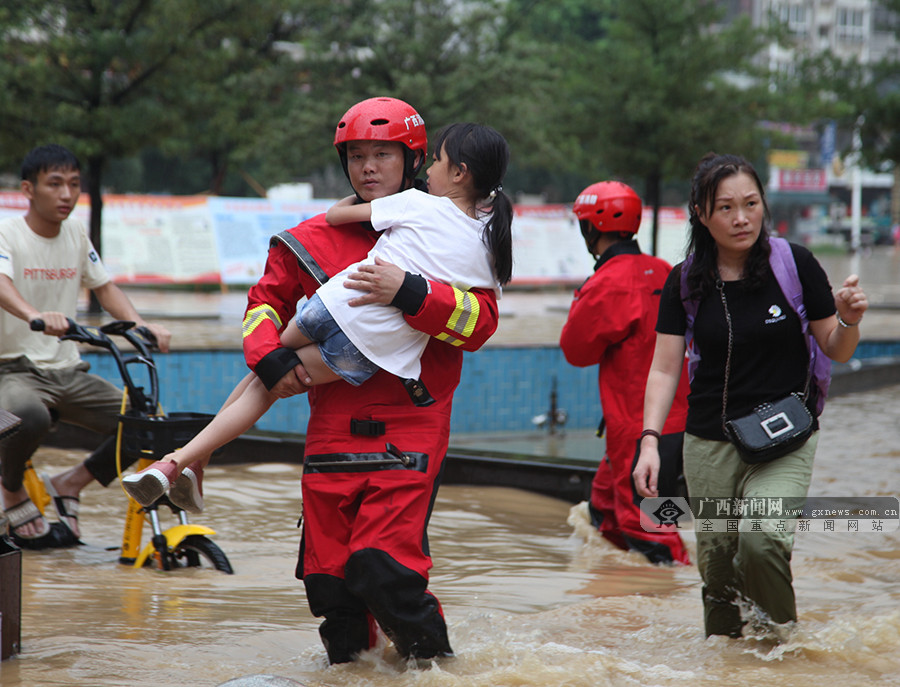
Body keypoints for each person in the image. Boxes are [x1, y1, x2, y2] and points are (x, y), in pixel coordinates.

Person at [121, 122, 513, 514]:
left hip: (408, 431)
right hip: (344, 408)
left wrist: (410, 291)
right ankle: (189, 461)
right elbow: (263, 304)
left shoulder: (420, 208)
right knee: (326, 570)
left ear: (414, 160)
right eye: (357, 156)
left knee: (387, 567)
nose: (368, 168)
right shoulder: (486, 239)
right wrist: (265, 354)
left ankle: (186, 460)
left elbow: (480, 324)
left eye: (381, 155)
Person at [633, 152, 868, 638]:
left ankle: (786, 649)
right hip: (709, 442)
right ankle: (730, 665)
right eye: (725, 208)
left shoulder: (795, 264)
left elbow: (835, 348)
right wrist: (650, 440)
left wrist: (848, 319)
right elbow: (663, 368)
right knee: (717, 576)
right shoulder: (685, 281)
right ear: (701, 213)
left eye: (751, 203)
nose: (741, 218)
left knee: (761, 541)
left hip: (786, 439)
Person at [0, 144, 172, 549]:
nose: (66, 195)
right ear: (28, 188)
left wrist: (142, 325)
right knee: (26, 415)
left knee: (149, 422)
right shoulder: (8, 232)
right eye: (54, 184)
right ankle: (10, 489)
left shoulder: (77, 233)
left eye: (74, 185)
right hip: (13, 368)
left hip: (66, 370)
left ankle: (69, 483)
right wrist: (33, 316)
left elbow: (104, 286)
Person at [559, 181, 691, 565]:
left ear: (590, 228)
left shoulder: (607, 283)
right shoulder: (664, 271)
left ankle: (673, 608)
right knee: (605, 509)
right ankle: (618, 605)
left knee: (651, 530)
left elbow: (576, 351)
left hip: (636, 431)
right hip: (676, 424)